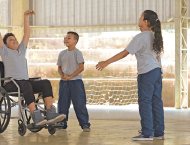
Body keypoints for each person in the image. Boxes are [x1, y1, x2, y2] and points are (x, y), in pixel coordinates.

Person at [0, 5, 66, 126]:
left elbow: (26, 33)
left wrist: (26, 17)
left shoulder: (21, 50)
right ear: (5, 45)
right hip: (11, 84)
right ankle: (36, 116)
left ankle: (50, 113)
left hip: (24, 83)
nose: (15, 40)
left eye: (15, 38)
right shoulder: (5, 51)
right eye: (11, 39)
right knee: (26, 84)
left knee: (45, 82)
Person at [96, 10, 165, 141]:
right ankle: (159, 132)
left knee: (145, 102)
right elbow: (156, 56)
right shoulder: (155, 36)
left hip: (147, 73)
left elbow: (124, 53)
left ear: (145, 22)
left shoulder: (140, 37)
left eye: (141, 17)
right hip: (157, 71)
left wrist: (106, 62)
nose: (138, 19)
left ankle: (146, 133)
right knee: (156, 102)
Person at [57, 31, 91, 132]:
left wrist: (70, 76)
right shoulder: (62, 53)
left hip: (76, 82)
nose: (66, 39)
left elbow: (81, 68)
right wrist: (63, 76)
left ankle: (85, 124)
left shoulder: (78, 53)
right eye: (65, 38)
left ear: (75, 41)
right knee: (62, 104)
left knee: (79, 104)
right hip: (64, 82)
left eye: (69, 38)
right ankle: (61, 123)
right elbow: (59, 67)